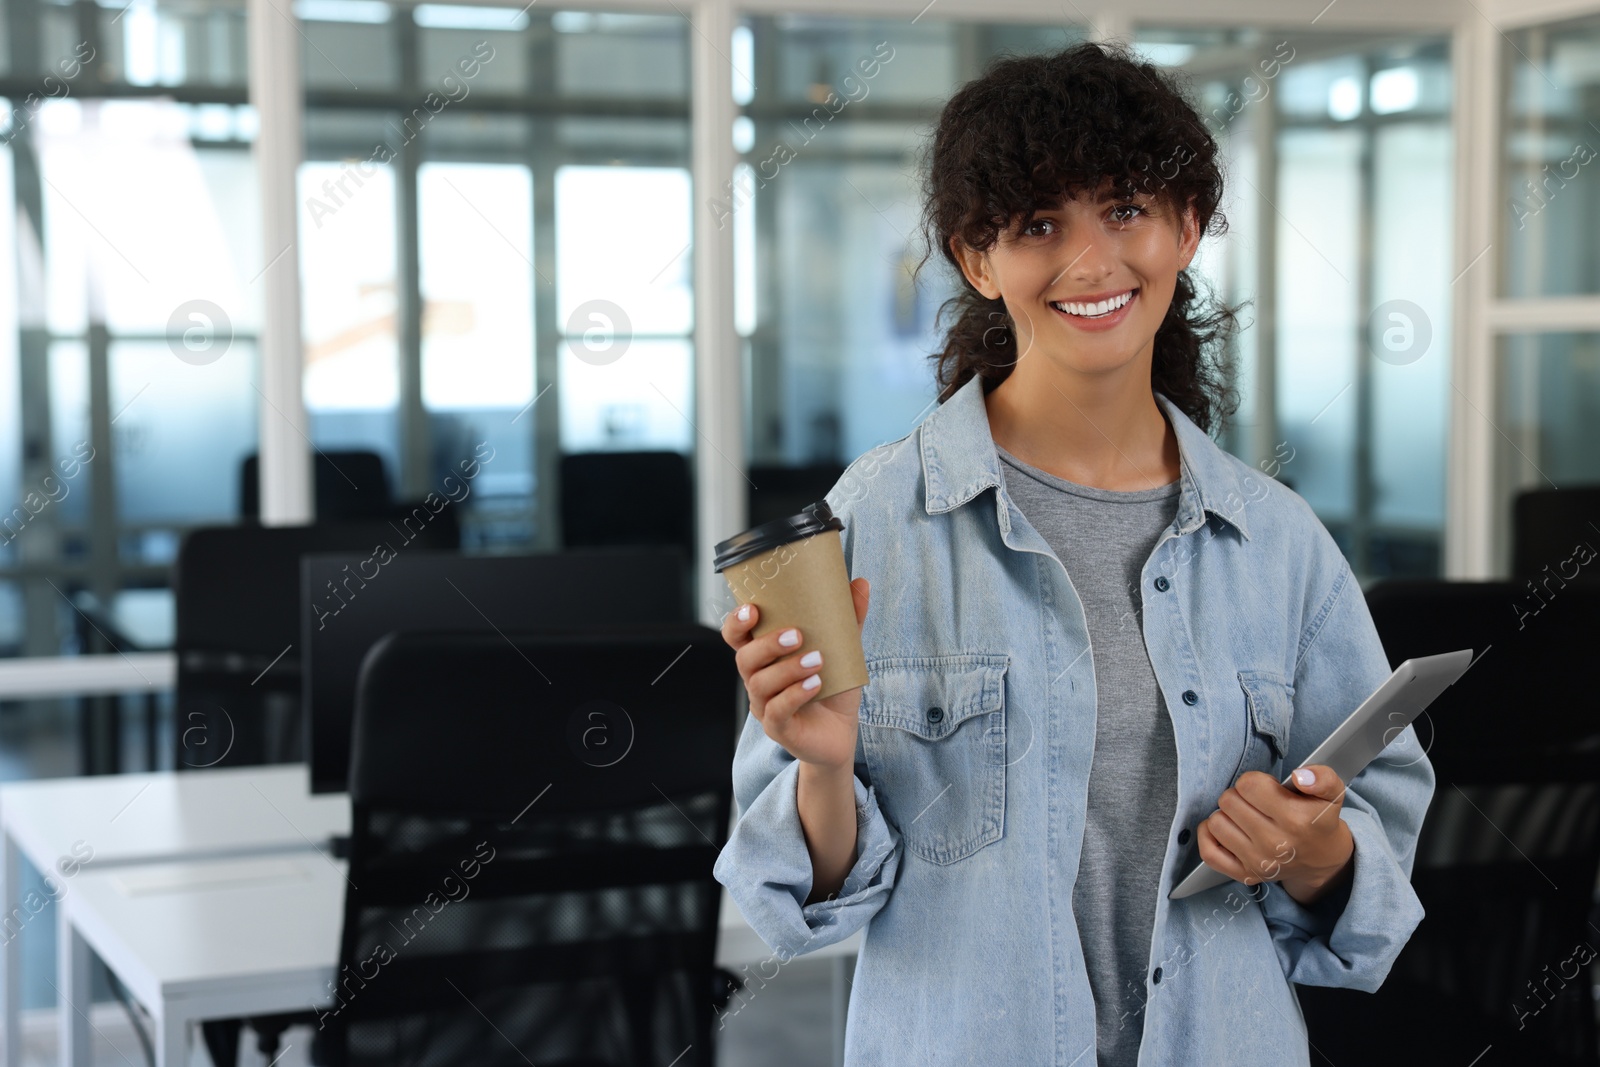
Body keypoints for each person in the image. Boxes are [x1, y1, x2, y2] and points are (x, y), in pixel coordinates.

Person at [712, 40, 1433, 1067]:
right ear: (976, 257)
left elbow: (1369, 882)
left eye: (1126, 209)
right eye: (1039, 223)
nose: (1091, 262)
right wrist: (823, 771)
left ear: (1185, 229)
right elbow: (798, 910)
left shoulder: (1278, 545)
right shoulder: (877, 516)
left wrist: (1315, 848)